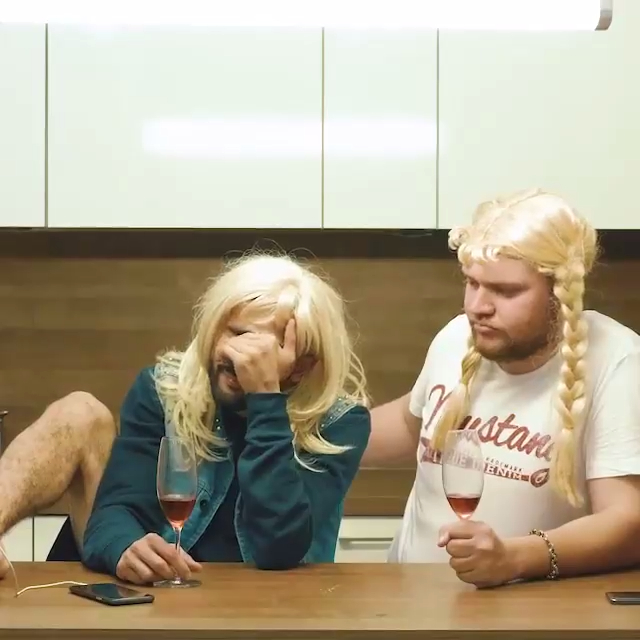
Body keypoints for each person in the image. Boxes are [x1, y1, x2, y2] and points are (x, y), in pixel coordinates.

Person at [0, 252, 370, 583]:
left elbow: (279, 549)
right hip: (164, 597)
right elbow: (116, 508)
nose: (237, 355)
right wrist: (124, 546)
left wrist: (265, 399)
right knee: (77, 411)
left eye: (261, 349)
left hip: (267, 606)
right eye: (235, 333)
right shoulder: (163, 390)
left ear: (301, 367)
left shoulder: (339, 423)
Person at [364, 188, 640, 587]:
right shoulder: (457, 336)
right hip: (411, 600)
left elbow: (627, 521)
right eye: (472, 283)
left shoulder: (617, 361)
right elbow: (413, 425)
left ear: (560, 292)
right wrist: (305, 436)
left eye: (506, 291)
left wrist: (514, 558)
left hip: (522, 609)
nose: (478, 306)